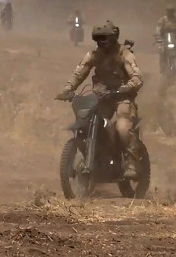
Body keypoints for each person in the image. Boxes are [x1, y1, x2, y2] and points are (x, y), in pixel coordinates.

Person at [55, 20, 143, 177]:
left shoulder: (124, 54)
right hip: (101, 97)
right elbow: (79, 73)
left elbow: (137, 78)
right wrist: (68, 89)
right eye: (98, 39)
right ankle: (96, 158)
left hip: (121, 97)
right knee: (87, 123)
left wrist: (125, 88)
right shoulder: (94, 55)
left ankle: (131, 163)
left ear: (114, 37)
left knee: (122, 127)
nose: (101, 43)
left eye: (104, 38)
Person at [155, 5, 176, 73]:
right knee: (162, 52)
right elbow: (158, 28)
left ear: (173, 12)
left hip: (174, 39)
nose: (170, 13)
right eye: (169, 11)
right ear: (167, 12)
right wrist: (157, 36)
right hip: (164, 39)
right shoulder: (163, 20)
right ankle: (162, 67)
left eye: (171, 12)